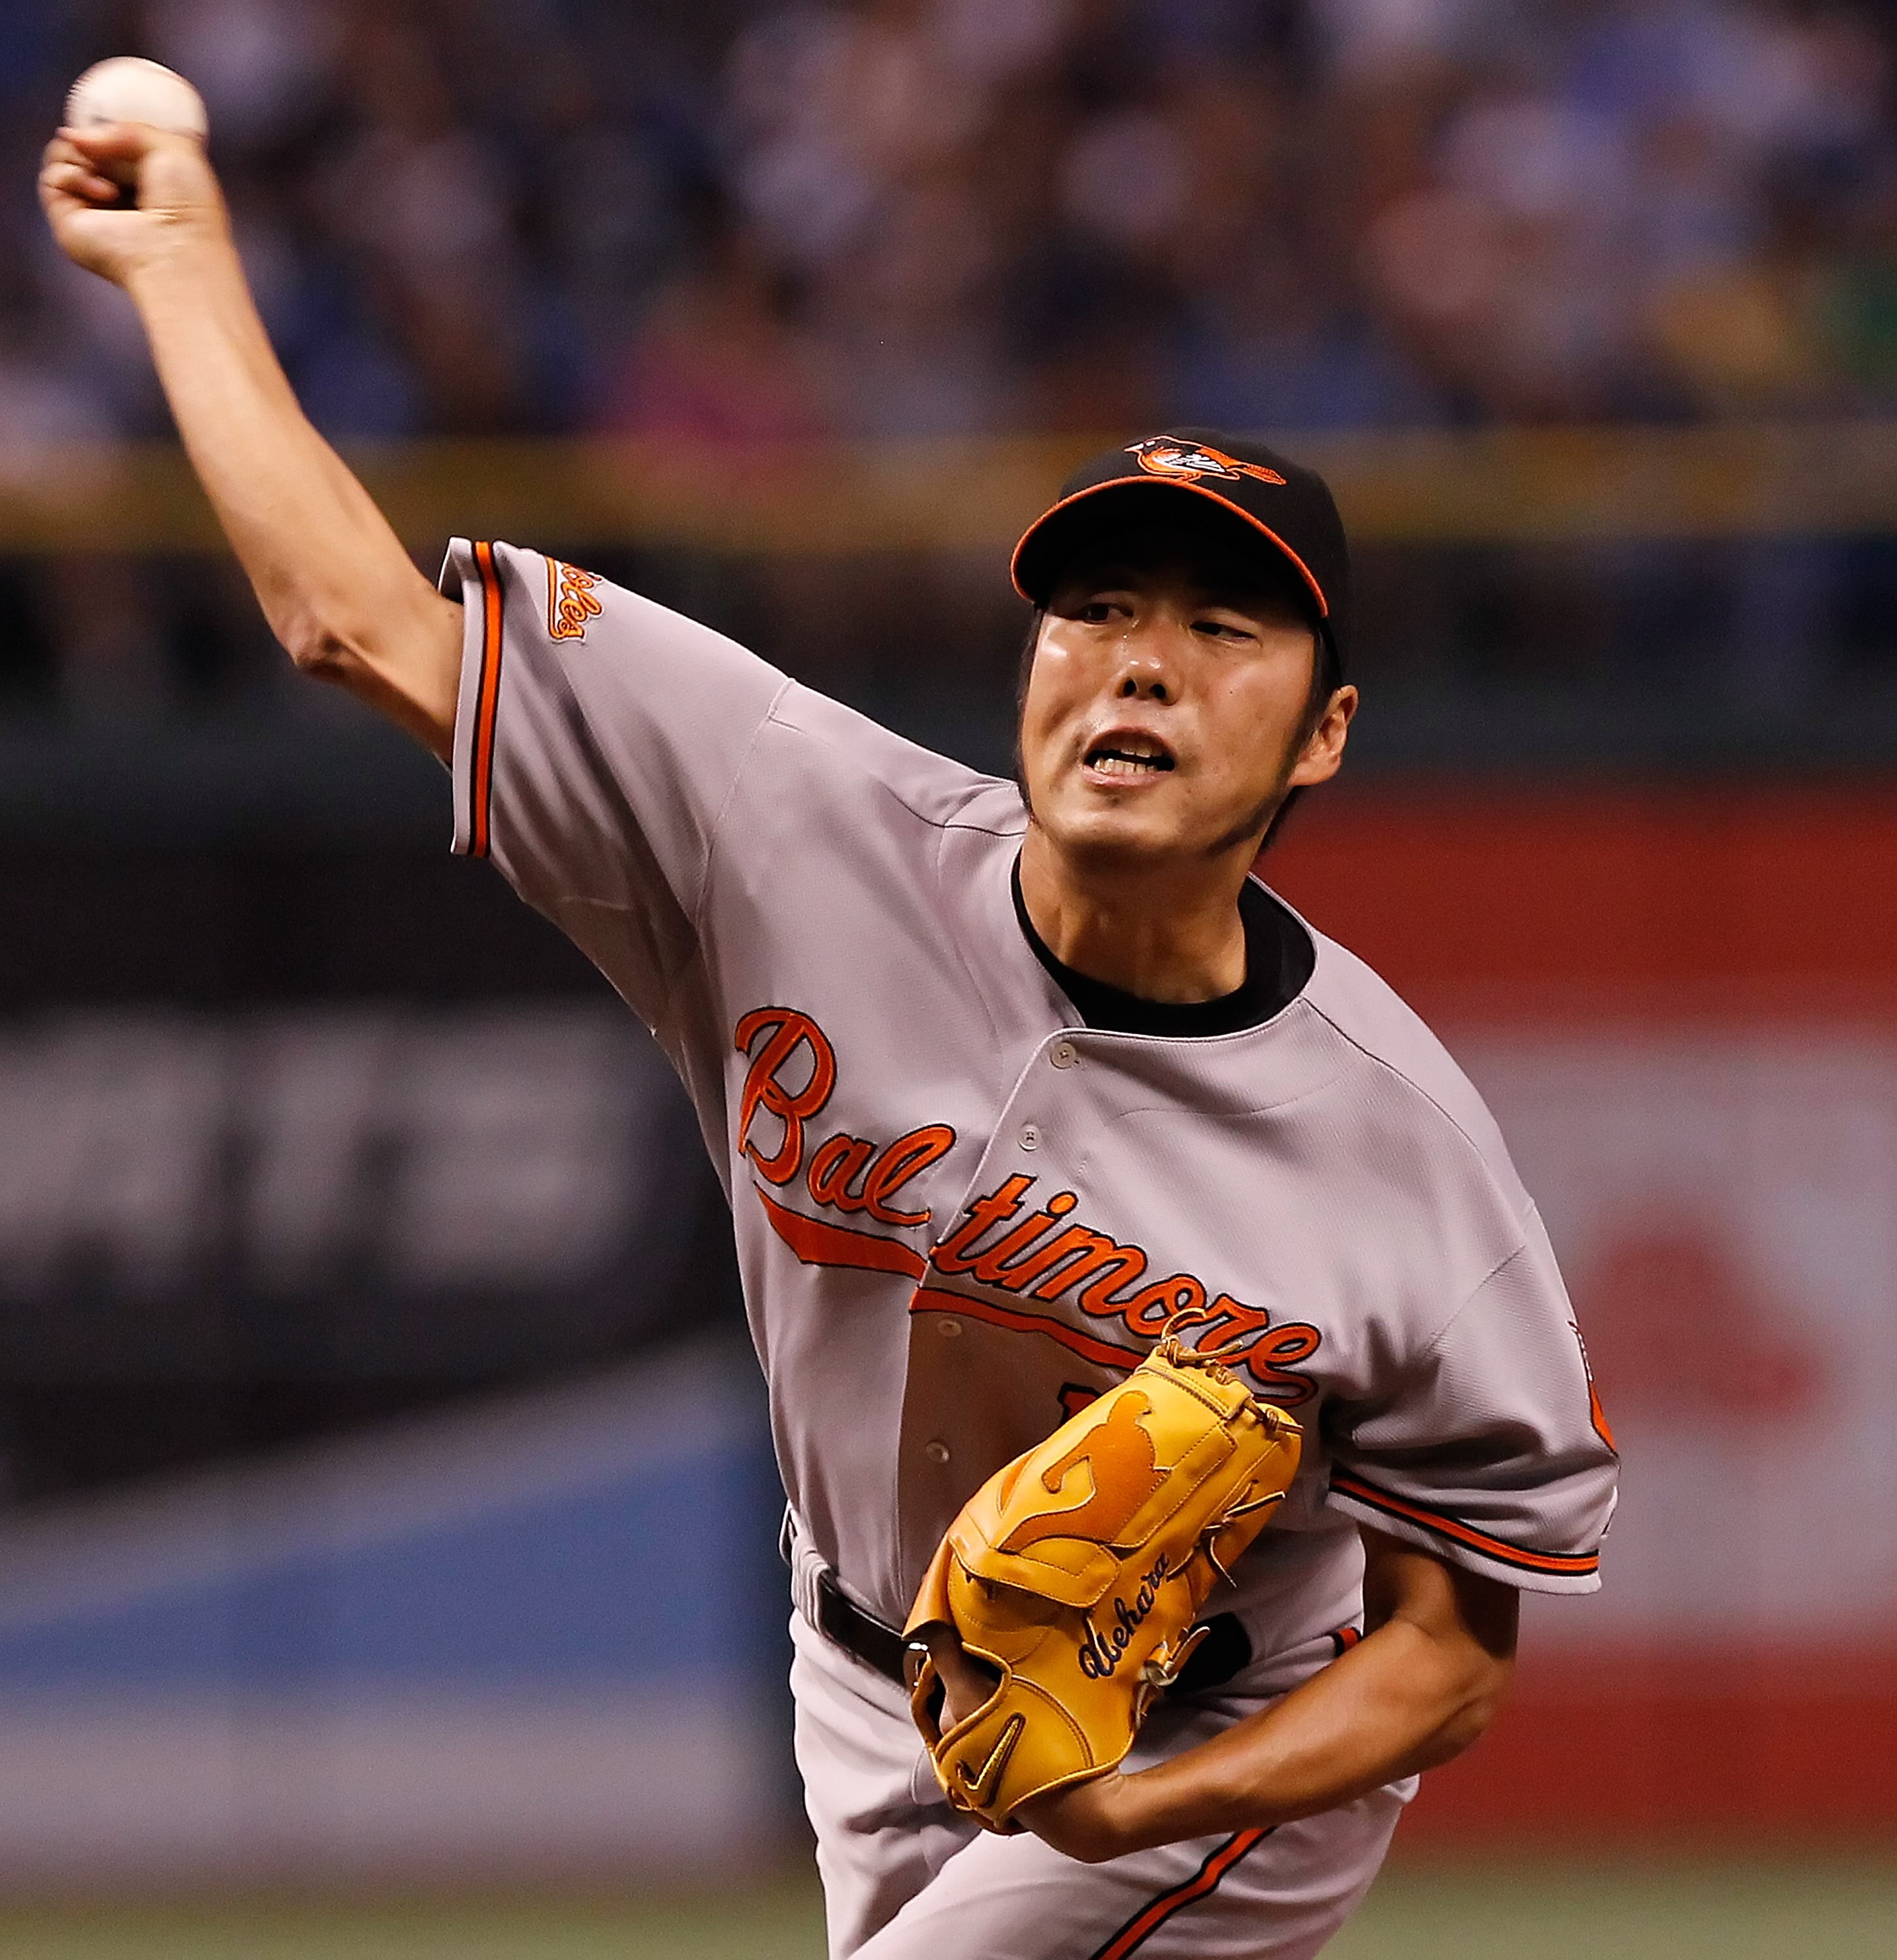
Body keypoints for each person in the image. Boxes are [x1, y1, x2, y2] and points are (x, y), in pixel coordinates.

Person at [41, 120, 1617, 1960]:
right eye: (1094, 608)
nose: (1140, 661)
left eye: (1222, 625)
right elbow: (351, 621)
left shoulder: (1406, 1151)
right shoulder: (792, 819)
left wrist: (1141, 1804)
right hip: (857, 1667)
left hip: (1213, 1736)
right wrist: (179, 271)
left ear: (1323, 732)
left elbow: (1445, 1664)